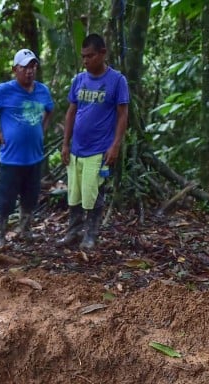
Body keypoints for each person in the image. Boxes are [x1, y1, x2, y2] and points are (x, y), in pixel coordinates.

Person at [0, 48, 54, 248]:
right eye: (25, 67)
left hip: (34, 157)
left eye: (33, 67)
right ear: (15, 69)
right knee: (6, 200)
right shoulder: (5, 90)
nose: (30, 71)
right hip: (11, 158)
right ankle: (0, 236)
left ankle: (25, 231)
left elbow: (50, 111)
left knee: (30, 197)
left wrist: (42, 130)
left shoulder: (42, 90)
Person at [60, 34, 129, 250]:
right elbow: (71, 112)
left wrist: (115, 145)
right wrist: (65, 143)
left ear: (102, 53)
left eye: (90, 56)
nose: (86, 61)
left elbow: (122, 114)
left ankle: (90, 234)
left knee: (94, 192)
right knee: (75, 192)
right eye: (83, 57)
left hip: (99, 150)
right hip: (77, 149)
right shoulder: (79, 80)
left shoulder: (117, 80)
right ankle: (73, 232)